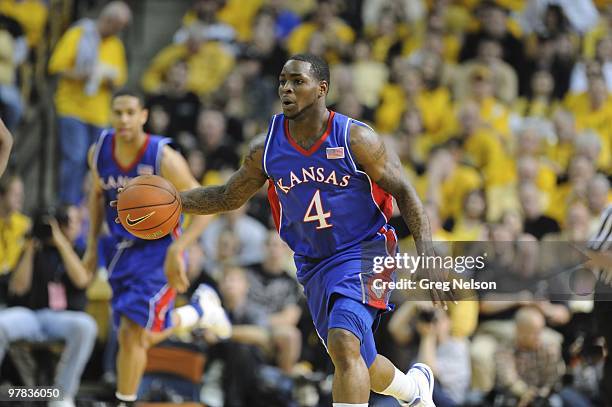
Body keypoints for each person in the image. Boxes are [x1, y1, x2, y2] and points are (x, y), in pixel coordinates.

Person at [169, 54, 448, 406]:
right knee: (359, 359)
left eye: (297, 81)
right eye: (283, 81)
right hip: (314, 261)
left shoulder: (356, 138)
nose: (286, 88)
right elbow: (228, 196)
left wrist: (426, 253)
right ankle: (414, 391)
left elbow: (405, 191)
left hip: (365, 248)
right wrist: (174, 203)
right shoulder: (266, 148)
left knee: (345, 341)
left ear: (321, 89)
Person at [84, 89, 230, 406]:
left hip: (159, 251)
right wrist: (92, 248)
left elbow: (209, 203)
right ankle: (198, 312)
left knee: (135, 332)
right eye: (117, 112)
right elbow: (96, 198)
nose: (123, 119)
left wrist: (179, 249)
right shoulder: (99, 152)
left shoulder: (162, 157)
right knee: (129, 335)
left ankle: (125, 401)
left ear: (143, 116)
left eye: (130, 112)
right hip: (119, 249)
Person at [0, 205, 97, 407]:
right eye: (70, 222)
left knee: (87, 326)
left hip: (63, 318)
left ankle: (62, 395)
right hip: (31, 315)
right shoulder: (35, 248)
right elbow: (18, 288)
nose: (73, 226)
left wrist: (61, 243)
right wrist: (29, 249)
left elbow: (81, 280)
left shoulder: (79, 250)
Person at [48, 1, 131, 205]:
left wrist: (108, 78)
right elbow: (56, 67)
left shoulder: (116, 45)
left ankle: (88, 208)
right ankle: (68, 206)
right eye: (117, 26)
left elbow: (120, 78)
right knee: (75, 158)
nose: (118, 31)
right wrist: (83, 74)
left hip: (99, 114)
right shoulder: (78, 34)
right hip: (72, 108)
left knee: (96, 164)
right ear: (107, 19)